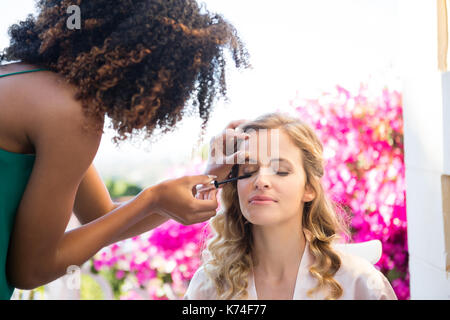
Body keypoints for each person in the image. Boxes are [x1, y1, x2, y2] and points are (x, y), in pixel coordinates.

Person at [0, 0, 250, 299]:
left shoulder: (17, 79)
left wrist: (201, 180)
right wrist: (152, 198)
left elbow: (100, 216)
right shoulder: (69, 114)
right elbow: (31, 270)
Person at [186, 112, 398, 300]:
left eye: (281, 170)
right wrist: (206, 179)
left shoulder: (359, 284)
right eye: (248, 170)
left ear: (309, 188)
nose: (260, 180)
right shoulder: (208, 287)